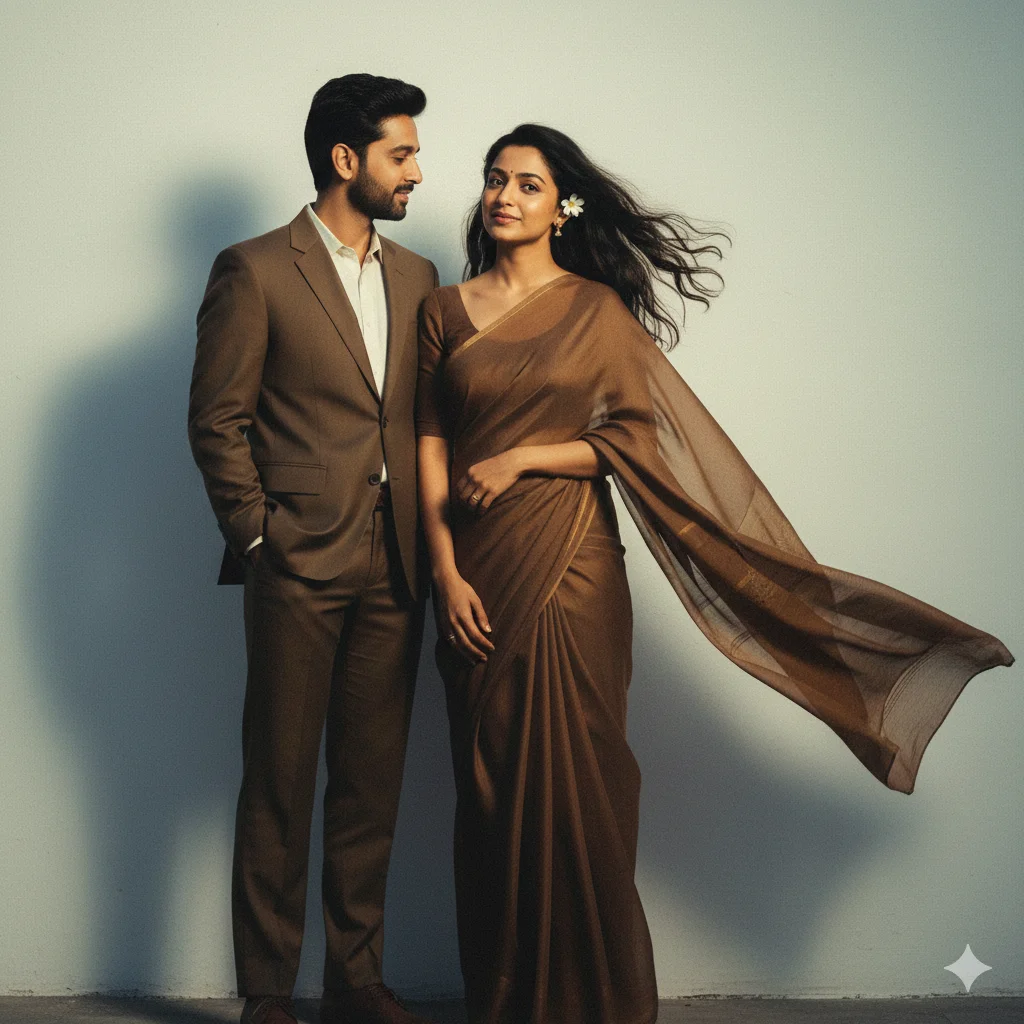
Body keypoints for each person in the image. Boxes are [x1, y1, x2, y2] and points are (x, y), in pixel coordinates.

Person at [415, 123, 1015, 1024]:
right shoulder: (442, 310)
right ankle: (507, 1002)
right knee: (491, 789)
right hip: (475, 575)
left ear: (560, 206)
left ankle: (601, 1004)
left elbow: (631, 442)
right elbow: (427, 444)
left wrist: (527, 457)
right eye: (496, 179)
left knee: (583, 779)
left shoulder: (594, 312)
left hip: (571, 569)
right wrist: (444, 571)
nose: (504, 195)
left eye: (529, 184)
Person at [188, 74, 440, 1024]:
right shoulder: (253, 269)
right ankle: (266, 994)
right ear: (347, 160)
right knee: (280, 783)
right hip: (295, 562)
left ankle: (356, 981)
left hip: (396, 566)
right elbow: (217, 421)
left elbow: (416, 416)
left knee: (371, 786)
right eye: (402, 153)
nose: (419, 169)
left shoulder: (418, 276)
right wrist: (259, 536)